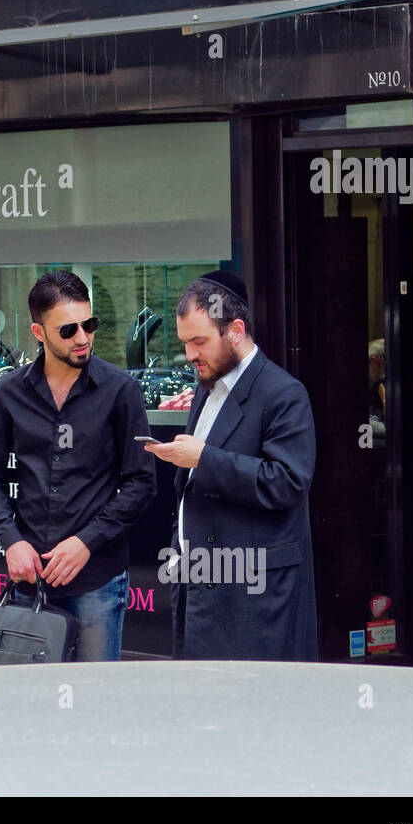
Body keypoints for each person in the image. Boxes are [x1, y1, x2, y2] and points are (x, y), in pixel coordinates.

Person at [0, 270, 157, 661]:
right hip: (30, 579)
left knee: (91, 700)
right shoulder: (10, 393)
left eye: (88, 325)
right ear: (39, 333)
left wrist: (85, 543)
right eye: (68, 330)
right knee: (33, 703)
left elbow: (141, 482)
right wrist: (11, 541)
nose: (83, 338)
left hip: (97, 582)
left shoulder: (120, 391)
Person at [145, 271, 318, 661]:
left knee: (249, 710)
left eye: (199, 341)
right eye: (185, 342)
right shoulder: (207, 385)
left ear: (236, 330)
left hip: (252, 599)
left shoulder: (283, 393)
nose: (190, 354)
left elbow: (288, 482)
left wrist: (204, 459)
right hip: (198, 583)